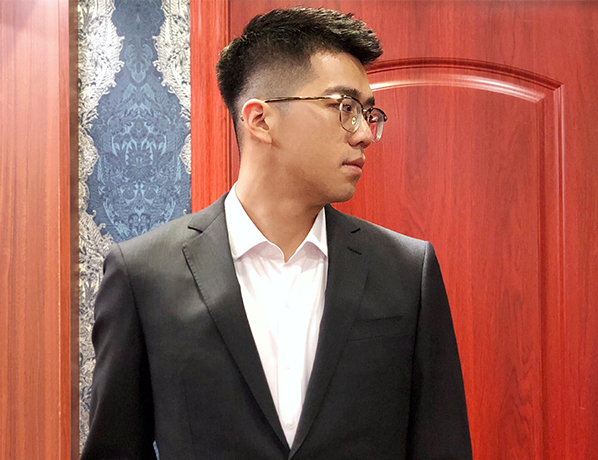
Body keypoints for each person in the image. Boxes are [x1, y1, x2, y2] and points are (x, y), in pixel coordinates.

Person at [81, 7, 472, 460]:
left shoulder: (406, 271)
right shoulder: (144, 275)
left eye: (369, 113)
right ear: (260, 120)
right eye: (345, 108)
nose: (365, 133)